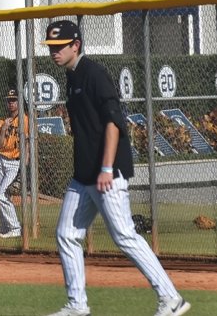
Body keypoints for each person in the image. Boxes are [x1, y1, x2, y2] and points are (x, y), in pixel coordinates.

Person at [43, 20, 191, 316]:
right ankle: (77, 305)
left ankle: (171, 299)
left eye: (60, 47)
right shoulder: (72, 77)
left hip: (107, 174)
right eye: (51, 47)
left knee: (124, 235)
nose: (54, 52)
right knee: (66, 234)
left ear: (76, 45)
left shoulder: (95, 75)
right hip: (84, 175)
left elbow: (114, 124)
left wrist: (107, 168)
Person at [0, 89, 29, 239]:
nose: (11, 103)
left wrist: (24, 166)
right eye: (9, 100)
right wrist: (3, 129)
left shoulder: (25, 120)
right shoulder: (1, 122)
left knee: (1, 194)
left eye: (14, 100)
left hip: (15, 162)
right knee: (1, 194)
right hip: (0, 160)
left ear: (19, 102)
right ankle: (5, 227)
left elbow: (28, 143)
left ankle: (15, 228)